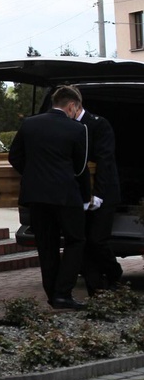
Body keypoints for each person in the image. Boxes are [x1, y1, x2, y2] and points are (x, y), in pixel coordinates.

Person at [9, 85, 90, 310]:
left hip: (36, 195)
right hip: (65, 194)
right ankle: (63, 292)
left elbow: (14, 156)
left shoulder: (29, 124)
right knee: (76, 241)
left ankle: (52, 294)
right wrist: (85, 197)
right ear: (72, 106)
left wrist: (34, 174)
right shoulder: (77, 128)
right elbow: (80, 167)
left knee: (47, 245)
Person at [73, 100, 123, 295]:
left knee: (97, 240)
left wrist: (99, 194)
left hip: (104, 193)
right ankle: (95, 288)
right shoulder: (69, 126)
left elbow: (105, 159)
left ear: (74, 106)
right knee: (82, 242)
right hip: (79, 194)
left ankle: (114, 273)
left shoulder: (98, 124)